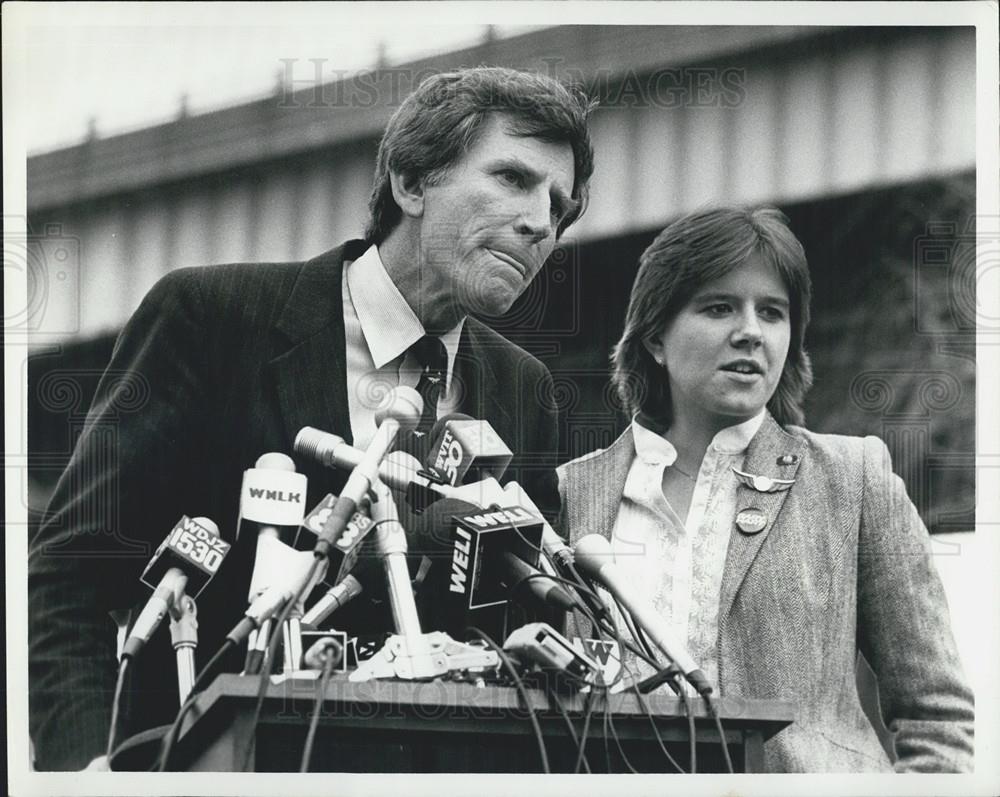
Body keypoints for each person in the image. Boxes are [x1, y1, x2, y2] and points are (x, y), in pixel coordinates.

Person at [29, 66, 595, 771]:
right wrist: (89, 772)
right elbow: (66, 578)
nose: (542, 222)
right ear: (411, 182)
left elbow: (530, 624)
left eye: (562, 207)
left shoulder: (525, 387)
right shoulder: (211, 320)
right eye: (514, 179)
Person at [556, 207, 974, 772]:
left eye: (772, 313)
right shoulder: (568, 493)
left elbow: (936, 715)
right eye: (719, 307)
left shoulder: (854, 479)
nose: (750, 331)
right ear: (655, 337)